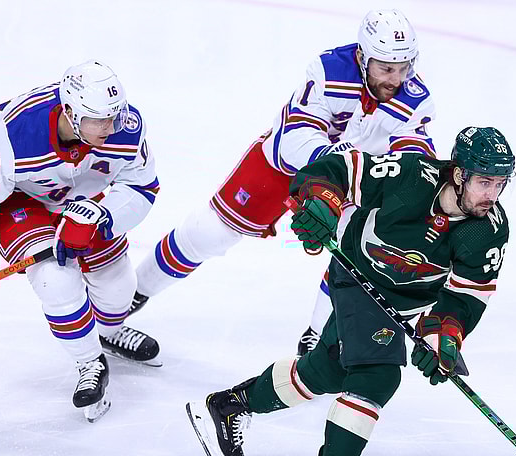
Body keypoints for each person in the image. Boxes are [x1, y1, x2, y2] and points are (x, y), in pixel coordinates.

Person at [186, 126, 515, 456]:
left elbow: (467, 296)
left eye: (500, 183)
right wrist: (321, 200)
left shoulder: (489, 230)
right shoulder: (410, 176)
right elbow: (335, 169)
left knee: (327, 370)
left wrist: (443, 336)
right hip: (357, 277)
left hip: (403, 306)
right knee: (378, 376)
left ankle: (231, 405)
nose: (492, 194)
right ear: (459, 174)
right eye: (485, 181)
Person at [130, 9, 437, 357]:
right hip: (286, 165)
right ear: (363, 56)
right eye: (385, 68)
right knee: (212, 232)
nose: (395, 79)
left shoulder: (415, 97)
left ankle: (319, 335)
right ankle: (134, 291)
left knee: (359, 247)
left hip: (352, 179)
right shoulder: (330, 70)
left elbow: (413, 159)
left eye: (403, 67)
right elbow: (296, 137)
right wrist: (331, 174)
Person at [0, 60, 162, 422]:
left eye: (115, 115)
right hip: (17, 200)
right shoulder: (13, 136)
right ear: (69, 111)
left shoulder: (125, 128)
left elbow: (142, 187)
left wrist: (102, 218)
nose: (111, 127)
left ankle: (109, 331)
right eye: (100, 119)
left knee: (118, 291)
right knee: (55, 279)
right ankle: (89, 362)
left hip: (81, 197)